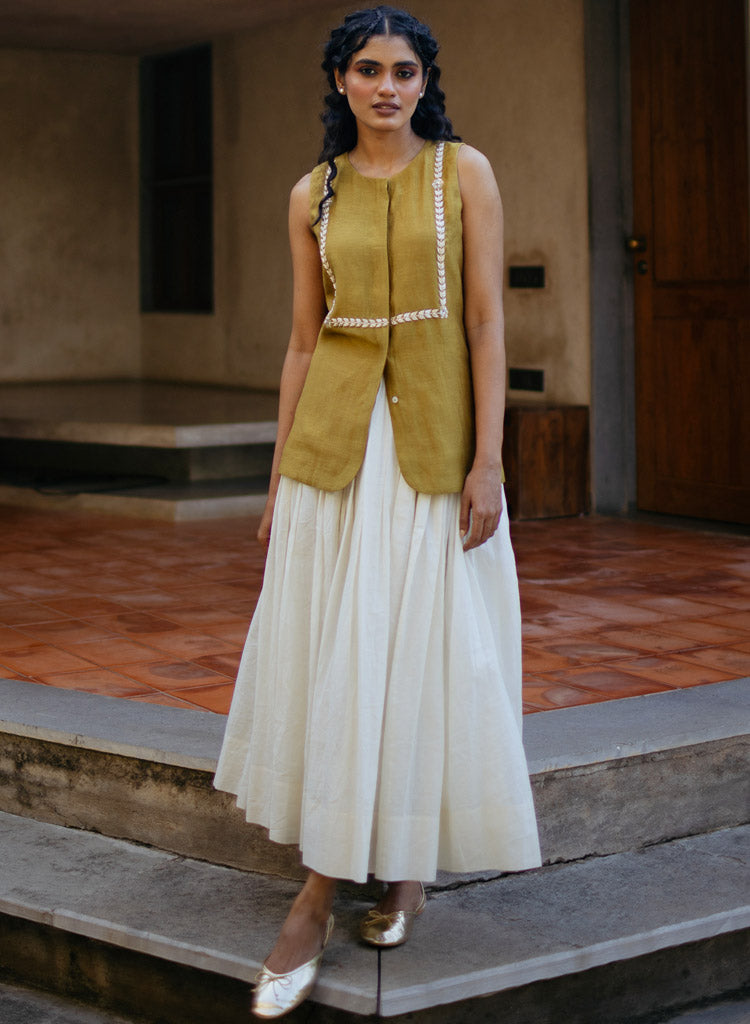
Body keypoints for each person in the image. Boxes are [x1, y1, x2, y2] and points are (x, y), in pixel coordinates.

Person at [214, 6, 541, 1017]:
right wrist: (279, 478)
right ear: (340, 82)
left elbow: (485, 322)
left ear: (425, 82)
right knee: (346, 654)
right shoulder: (311, 193)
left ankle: (394, 871)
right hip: (335, 453)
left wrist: (490, 461)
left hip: (435, 452)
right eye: (367, 69)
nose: (386, 87)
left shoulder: (464, 173)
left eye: (403, 70)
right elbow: (302, 340)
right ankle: (320, 892)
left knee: (421, 651)